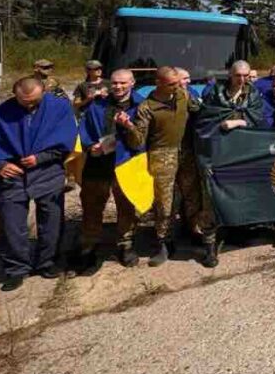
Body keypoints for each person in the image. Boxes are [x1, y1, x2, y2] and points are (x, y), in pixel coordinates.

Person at [0, 77, 76, 291]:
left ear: (43, 93)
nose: (30, 105)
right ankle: (16, 269)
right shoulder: (1, 112)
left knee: (51, 220)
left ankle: (47, 262)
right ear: (15, 95)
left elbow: (67, 138)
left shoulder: (58, 107)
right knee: (12, 224)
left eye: (35, 101)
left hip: (47, 169)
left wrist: (40, 158)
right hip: (11, 173)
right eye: (24, 102)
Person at [119, 67, 195, 265]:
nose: (178, 86)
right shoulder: (147, 107)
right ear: (159, 83)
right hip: (161, 157)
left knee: (192, 195)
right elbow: (137, 141)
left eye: (179, 82)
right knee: (163, 203)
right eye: (172, 83)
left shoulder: (182, 95)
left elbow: (199, 112)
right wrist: (129, 127)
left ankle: (195, 232)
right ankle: (163, 242)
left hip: (186, 154)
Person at [75, 69, 141, 273]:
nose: (118, 87)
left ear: (132, 83)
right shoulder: (97, 105)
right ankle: (89, 246)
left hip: (126, 163)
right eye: (114, 83)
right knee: (92, 205)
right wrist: (89, 146)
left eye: (123, 83)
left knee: (127, 207)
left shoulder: (141, 106)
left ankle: (125, 244)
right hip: (98, 163)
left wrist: (129, 126)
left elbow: (144, 139)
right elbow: (84, 130)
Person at [175, 67, 219, 267]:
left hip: (195, 152)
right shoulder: (157, 99)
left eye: (188, 79)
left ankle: (196, 231)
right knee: (178, 195)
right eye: (183, 79)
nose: (187, 82)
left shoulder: (192, 96)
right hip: (170, 154)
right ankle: (174, 233)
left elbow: (202, 114)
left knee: (196, 194)